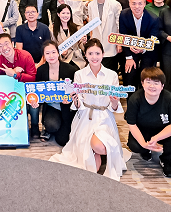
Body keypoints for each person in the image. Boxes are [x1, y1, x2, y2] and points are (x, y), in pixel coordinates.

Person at [49, 38, 128, 180]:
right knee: (90, 166)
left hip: (104, 117)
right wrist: (75, 99)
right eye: (90, 53)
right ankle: (95, 154)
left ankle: (97, 151)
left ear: (103, 54)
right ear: (85, 55)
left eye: (97, 53)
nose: (94, 57)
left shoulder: (112, 75)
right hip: (85, 117)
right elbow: (78, 105)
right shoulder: (79, 74)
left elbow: (115, 108)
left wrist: (114, 101)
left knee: (99, 147)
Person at [125, 66, 171, 178]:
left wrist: (156, 138)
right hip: (143, 130)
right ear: (142, 83)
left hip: (163, 131)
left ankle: (166, 160)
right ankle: (145, 151)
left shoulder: (170, 99)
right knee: (135, 145)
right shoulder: (135, 99)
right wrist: (144, 144)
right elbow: (131, 124)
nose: (152, 86)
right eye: (148, 82)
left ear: (162, 86)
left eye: (156, 83)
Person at [33, 41, 77, 144]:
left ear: (58, 53)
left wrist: (71, 99)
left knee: (63, 140)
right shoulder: (41, 70)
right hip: (52, 107)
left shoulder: (71, 70)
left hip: (67, 107)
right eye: (47, 53)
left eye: (53, 52)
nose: (51, 56)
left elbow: (76, 91)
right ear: (44, 56)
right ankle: (50, 128)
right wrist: (35, 101)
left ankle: (63, 126)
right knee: (52, 125)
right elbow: (38, 91)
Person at [0, 33, 37, 135]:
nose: (4, 48)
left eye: (7, 44)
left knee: (34, 102)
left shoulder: (25, 56)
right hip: (10, 92)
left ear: (12, 43)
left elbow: (33, 78)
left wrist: (15, 74)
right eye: (0, 46)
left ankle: (35, 128)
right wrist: (13, 72)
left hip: (27, 90)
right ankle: (14, 129)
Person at [118, 0, 161, 93]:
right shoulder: (123, 15)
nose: (137, 6)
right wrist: (129, 57)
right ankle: (130, 100)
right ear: (129, 3)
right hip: (130, 49)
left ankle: (144, 98)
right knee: (129, 75)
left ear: (144, 3)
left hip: (148, 51)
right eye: (133, 3)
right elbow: (123, 36)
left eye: (140, 3)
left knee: (146, 76)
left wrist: (143, 48)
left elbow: (153, 39)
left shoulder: (153, 18)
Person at [82, 0, 121, 70]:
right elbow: (91, 24)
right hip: (97, 42)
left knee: (110, 69)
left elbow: (119, 25)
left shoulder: (115, 4)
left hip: (111, 42)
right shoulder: (91, 5)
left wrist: (119, 44)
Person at [50, 4, 87, 68]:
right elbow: (52, 46)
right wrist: (60, 53)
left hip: (76, 59)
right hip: (61, 59)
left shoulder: (77, 28)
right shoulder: (52, 29)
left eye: (68, 13)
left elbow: (81, 46)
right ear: (58, 14)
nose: (66, 15)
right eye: (63, 13)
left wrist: (84, 42)